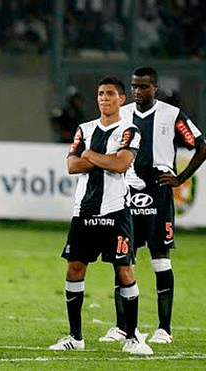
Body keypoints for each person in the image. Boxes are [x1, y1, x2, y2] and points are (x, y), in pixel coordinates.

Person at [100, 67, 206, 344]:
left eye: (143, 87)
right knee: (122, 259)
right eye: (134, 86)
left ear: (155, 88)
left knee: (160, 260)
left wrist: (180, 178)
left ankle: (164, 329)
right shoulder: (122, 115)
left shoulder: (172, 115)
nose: (138, 92)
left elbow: (201, 145)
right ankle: (122, 327)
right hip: (126, 193)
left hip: (158, 194)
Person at [49, 76, 153, 355]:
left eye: (110, 94)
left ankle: (132, 337)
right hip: (83, 212)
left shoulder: (130, 130)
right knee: (74, 269)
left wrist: (91, 155)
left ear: (122, 99)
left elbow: (120, 164)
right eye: (100, 94)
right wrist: (101, 158)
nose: (104, 98)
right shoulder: (84, 128)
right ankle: (75, 337)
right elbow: (72, 165)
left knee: (124, 270)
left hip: (115, 211)